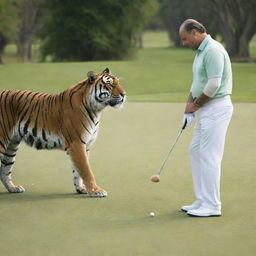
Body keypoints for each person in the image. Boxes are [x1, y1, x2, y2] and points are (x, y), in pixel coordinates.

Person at [179, 19, 233, 217]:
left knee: (210, 156)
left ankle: (212, 205)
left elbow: (213, 85)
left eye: (185, 39)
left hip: (217, 108)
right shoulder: (201, 52)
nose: (184, 43)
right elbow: (197, 83)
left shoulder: (213, 50)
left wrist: (196, 105)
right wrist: (188, 108)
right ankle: (202, 199)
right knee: (196, 151)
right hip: (205, 109)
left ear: (195, 32)